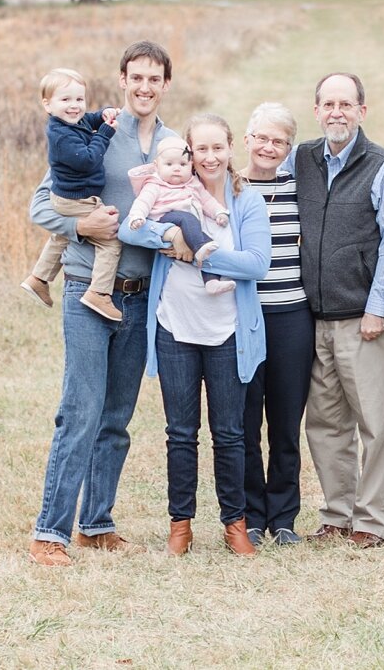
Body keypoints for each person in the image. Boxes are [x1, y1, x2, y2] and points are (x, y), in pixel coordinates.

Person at [25, 41, 173, 568]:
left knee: (116, 417)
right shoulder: (93, 133)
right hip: (89, 294)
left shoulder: (174, 146)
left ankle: (97, 523)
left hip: (140, 299)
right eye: (136, 77)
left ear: (165, 85)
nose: (145, 87)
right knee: (80, 412)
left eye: (154, 79)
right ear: (123, 79)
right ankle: (51, 531)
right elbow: (41, 204)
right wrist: (79, 226)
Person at [128, 113, 272, 557]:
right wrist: (170, 234)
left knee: (230, 433)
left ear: (231, 150)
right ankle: (180, 525)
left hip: (228, 331)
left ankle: (235, 524)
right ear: (186, 154)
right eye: (199, 150)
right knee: (180, 432)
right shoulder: (166, 193)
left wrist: (197, 259)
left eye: (217, 148)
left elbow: (256, 263)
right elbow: (127, 227)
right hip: (175, 327)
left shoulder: (245, 202)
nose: (208, 157)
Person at [296, 72, 384, 548]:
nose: (336, 112)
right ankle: (337, 514)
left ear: (362, 110)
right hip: (314, 315)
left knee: (375, 423)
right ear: (316, 110)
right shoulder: (302, 158)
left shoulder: (382, 166)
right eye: (328, 104)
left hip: (365, 318)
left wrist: (377, 308)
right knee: (324, 423)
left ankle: (371, 522)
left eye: (346, 104)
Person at [239, 102, 312, 546]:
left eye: (279, 141)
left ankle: (283, 516)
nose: (269, 147)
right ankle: (249, 514)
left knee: (286, 421)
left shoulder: (297, 186)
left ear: (289, 148)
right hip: (244, 317)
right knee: (244, 422)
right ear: (247, 139)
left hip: (292, 315)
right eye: (262, 138)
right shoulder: (228, 185)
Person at [21, 68, 123, 315]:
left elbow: (89, 119)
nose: (75, 106)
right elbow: (88, 160)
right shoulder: (61, 135)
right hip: (76, 198)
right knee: (111, 241)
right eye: (65, 100)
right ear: (47, 104)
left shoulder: (74, 122)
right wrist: (105, 134)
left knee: (61, 236)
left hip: (66, 196)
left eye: (79, 99)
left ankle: (38, 278)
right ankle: (99, 293)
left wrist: (103, 115)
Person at [125, 135, 235, 295]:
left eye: (183, 164)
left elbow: (207, 200)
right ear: (157, 166)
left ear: (191, 165)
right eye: (169, 164)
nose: (176, 168)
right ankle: (198, 250)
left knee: (210, 245)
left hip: (191, 229)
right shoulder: (155, 185)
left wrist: (219, 212)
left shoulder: (193, 183)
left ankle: (211, 281)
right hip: (166, 220)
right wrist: (138, 217)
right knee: (186, 218)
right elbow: (143, 202)